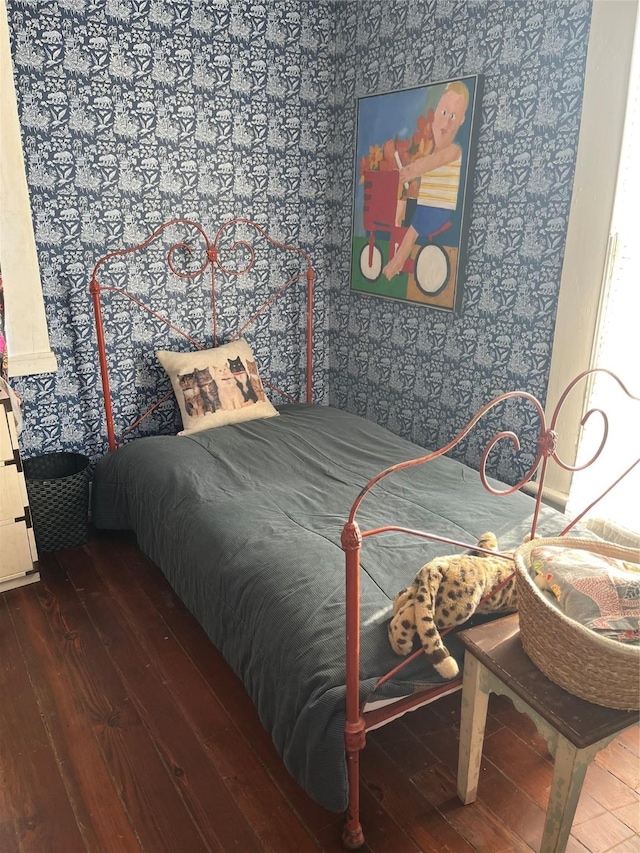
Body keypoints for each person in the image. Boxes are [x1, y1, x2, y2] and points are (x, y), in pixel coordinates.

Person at [382, 81, 469, 280]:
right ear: (436, 111)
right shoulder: (431, 148)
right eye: (444, 112)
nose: (447, 122)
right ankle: (393, 237)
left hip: (437, 208)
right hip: (425, 204)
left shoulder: (453, 151)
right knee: (401, 204)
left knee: (412, 230)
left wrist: (409, 171)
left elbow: (429, 164)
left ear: (461, 120)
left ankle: (395, 265)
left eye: (453, 117)